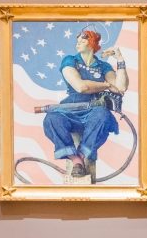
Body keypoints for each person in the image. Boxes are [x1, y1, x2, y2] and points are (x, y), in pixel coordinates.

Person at [41, 28, 127, 178]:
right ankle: (76, 160)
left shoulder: (103, 66)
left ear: (92, 42)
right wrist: (106, 85)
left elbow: (121, 88)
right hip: (70, 108)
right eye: (78, 39)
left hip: (95, 110)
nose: (78, 41)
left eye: (84, 38)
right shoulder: (70, 60)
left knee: (103, 116)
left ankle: (81, 154)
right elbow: (80, 87)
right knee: (52, 118)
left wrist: (120, 59)